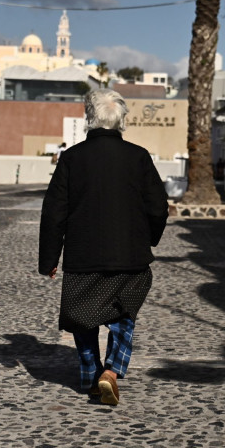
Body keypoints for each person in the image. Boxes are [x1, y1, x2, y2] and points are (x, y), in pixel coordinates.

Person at [38, 89, 168, 405]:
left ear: (90, 119)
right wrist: (148, 238)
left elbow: (54, 212)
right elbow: (158, 208)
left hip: (83, 258)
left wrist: (49, 259)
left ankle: (89, 373)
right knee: (125, 312)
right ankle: (111, 371)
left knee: (82, 315)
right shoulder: (139, 157)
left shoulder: (71, 158)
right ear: (120, 120)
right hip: (130, 257)